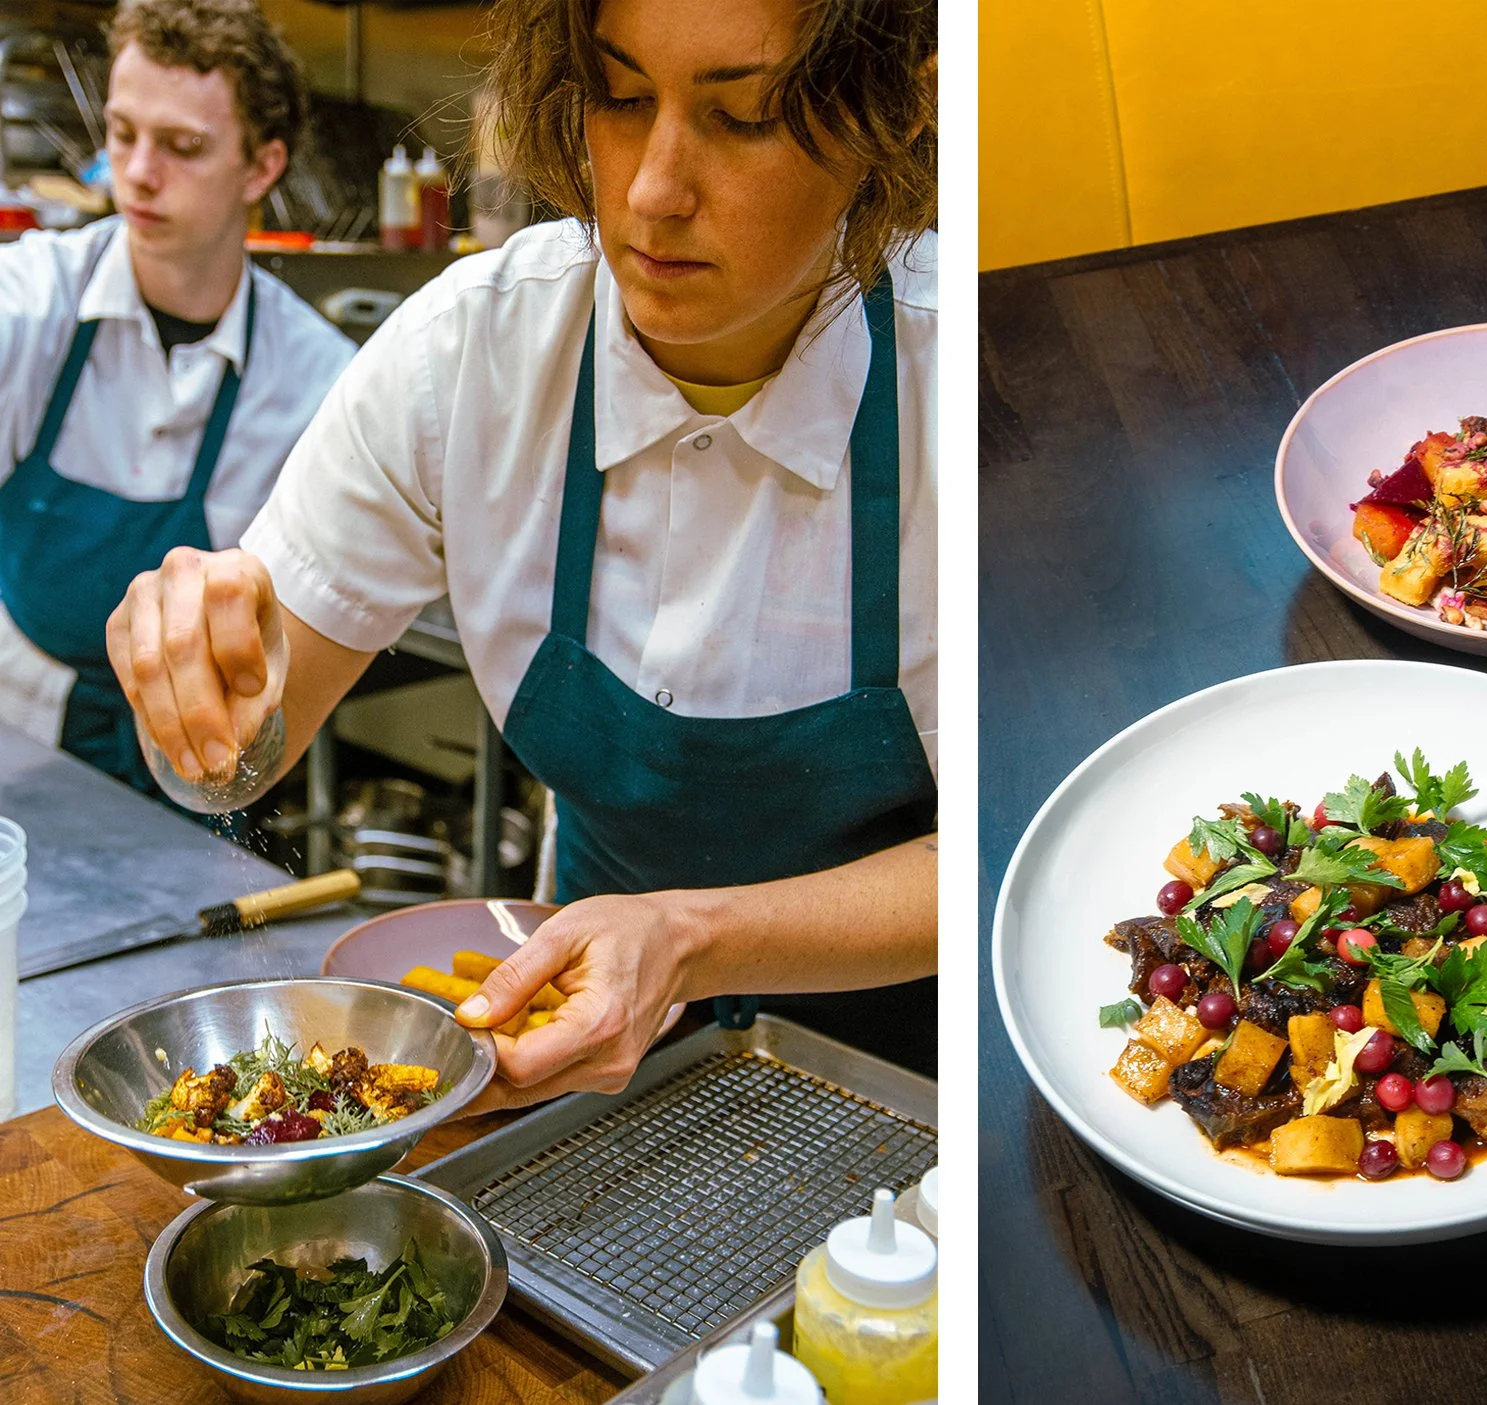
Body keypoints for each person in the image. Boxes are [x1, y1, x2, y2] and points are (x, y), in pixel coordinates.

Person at [107, 0, 939, 1102]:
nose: (650, 190)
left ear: (901, 115)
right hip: (569, 1065)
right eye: (622, 97)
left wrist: (692, 939)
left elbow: (991, 845)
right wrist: (196, 686)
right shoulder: (474, 351)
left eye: (743, 117)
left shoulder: (954, 379)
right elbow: (243, 757)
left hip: (902, 1093)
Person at [0, 0, 352, 793]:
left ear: (261, 167)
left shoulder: (313, 383)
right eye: (123, 134)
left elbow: (284, 664)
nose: (139, 173)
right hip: (13, 741)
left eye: (183, 147)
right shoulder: (34, 302)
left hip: (196, 767)